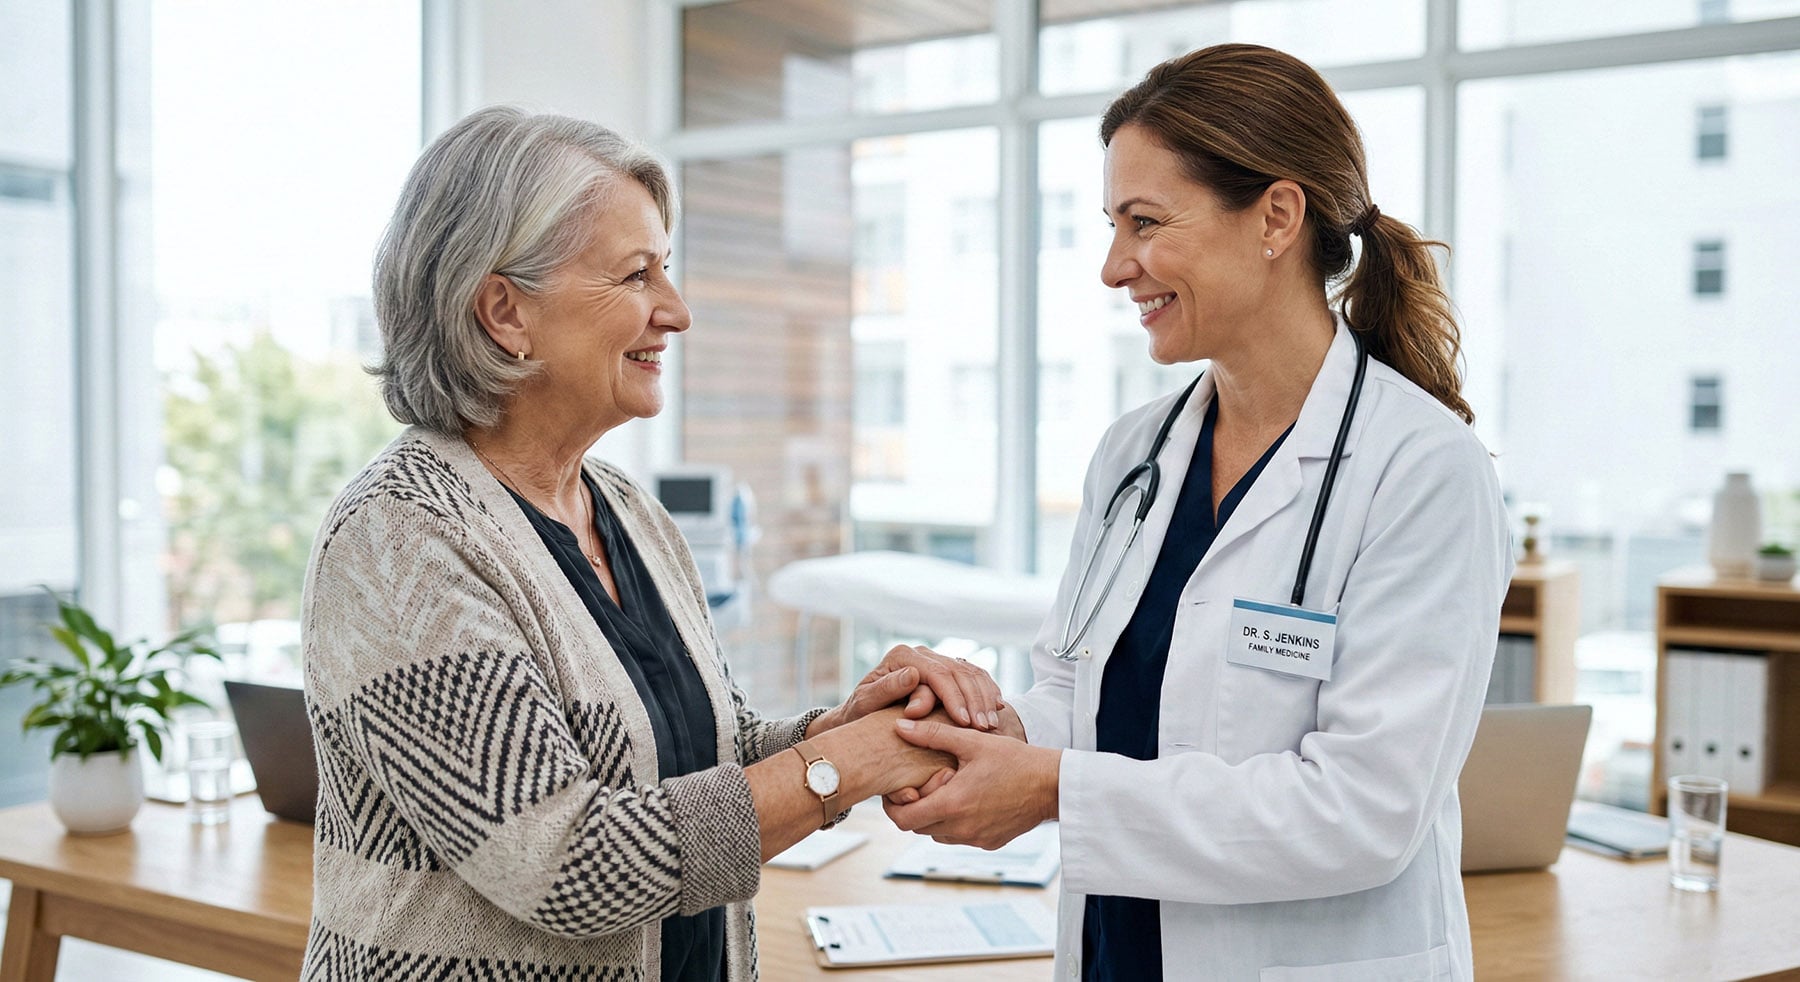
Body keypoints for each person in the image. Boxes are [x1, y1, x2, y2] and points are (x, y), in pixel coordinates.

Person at [299, 106, 1001, 981]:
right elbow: (566, 863)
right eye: (637, 275)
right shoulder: (399, 540)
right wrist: (847, 764)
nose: (676, 311)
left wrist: (837, 726)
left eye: (665, 270)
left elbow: (705, 747)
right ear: (504, 312)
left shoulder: (627, 511)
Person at [884, 44, 1510, 981]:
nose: (1111, 267)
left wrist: (1053, 788)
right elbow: (1072, 688)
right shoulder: (1133, 455)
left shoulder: (1421, 470)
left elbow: (1363, 814)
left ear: (1277, 217)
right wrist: (980, 733)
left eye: (1144, 222)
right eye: (1111, 225)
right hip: (1117, 952)